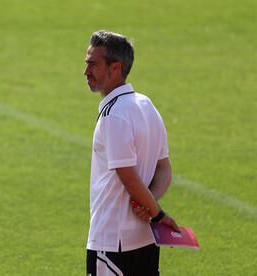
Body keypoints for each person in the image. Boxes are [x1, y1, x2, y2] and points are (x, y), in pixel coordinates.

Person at [84, 30, 179, 276]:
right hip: (145, 239)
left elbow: (128, 177)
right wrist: (150, 202)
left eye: (93, 64)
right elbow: (164, 167)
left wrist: (157, 214)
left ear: (115, 68)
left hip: (112, 241)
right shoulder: (146, 105)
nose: (86, 72)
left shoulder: (114, 115)